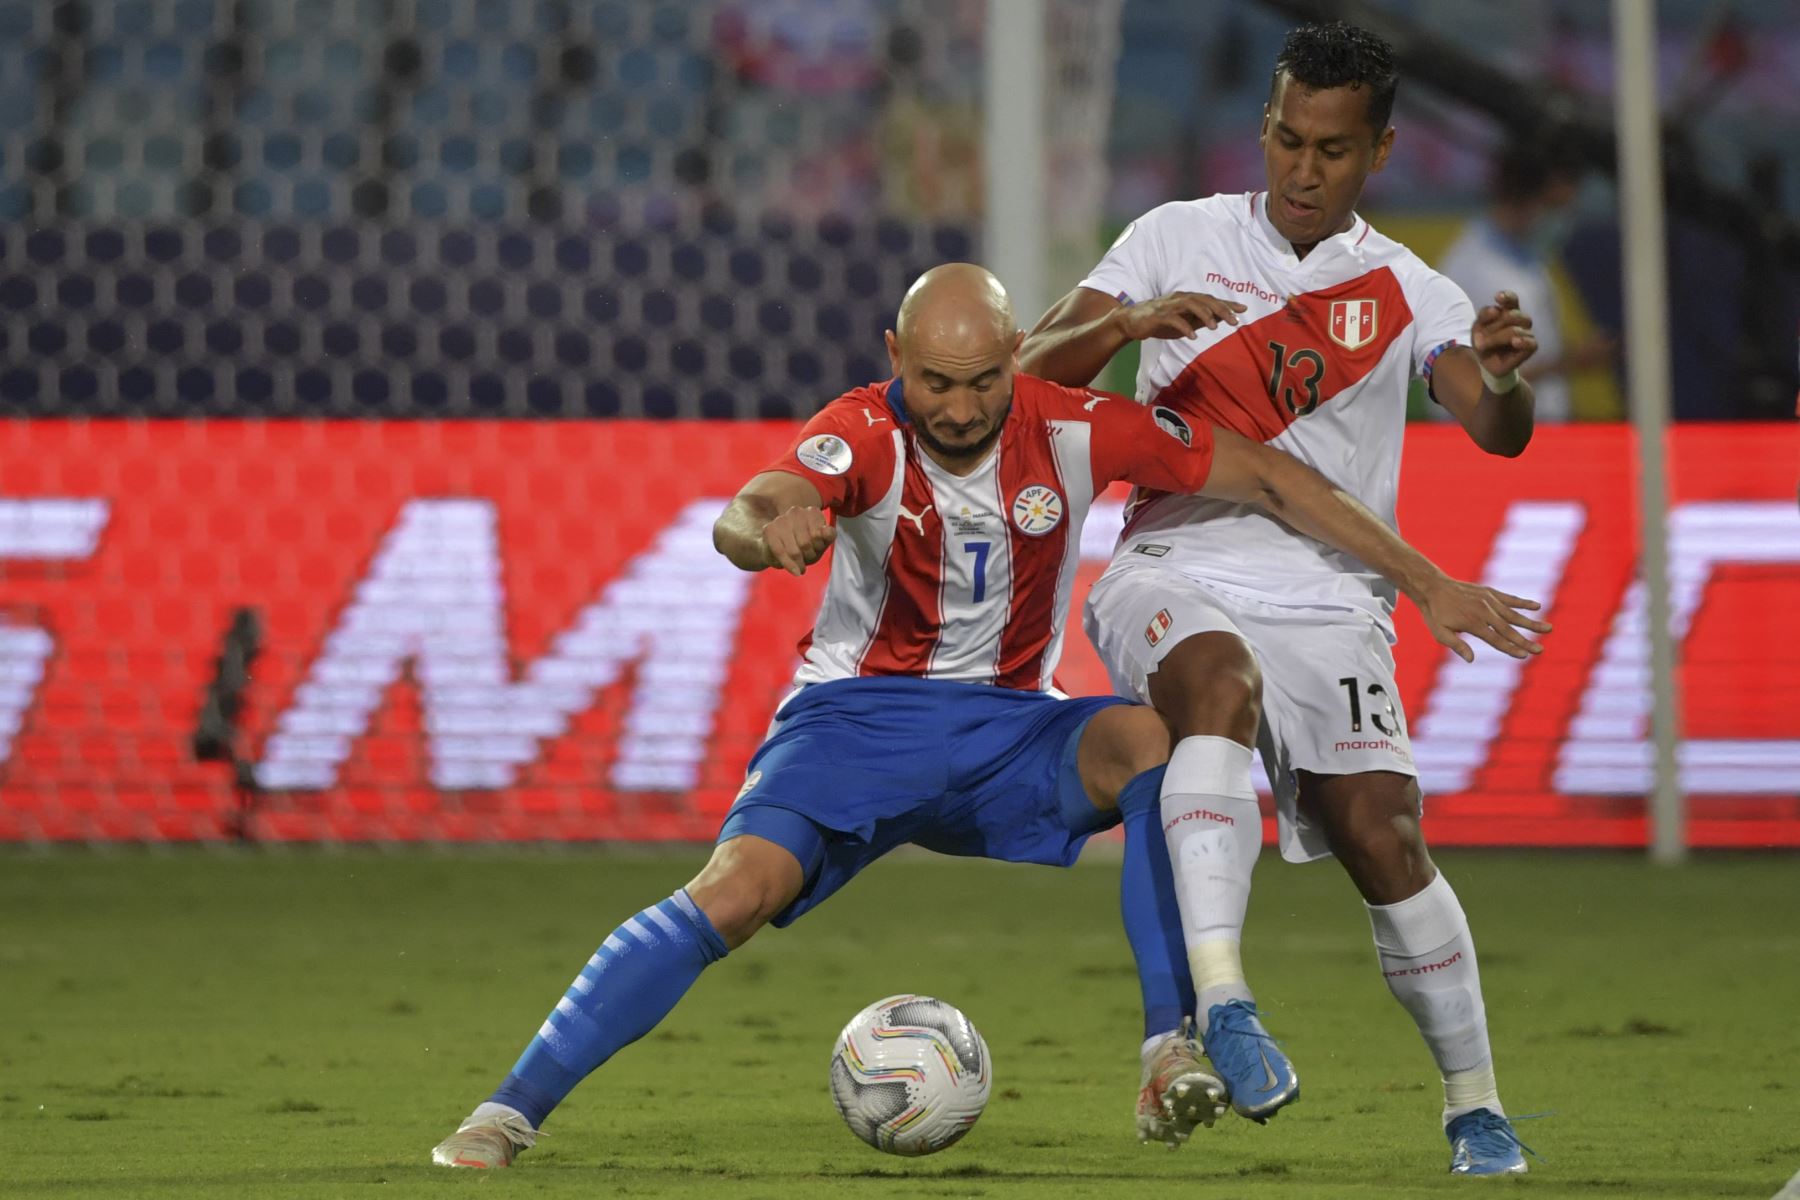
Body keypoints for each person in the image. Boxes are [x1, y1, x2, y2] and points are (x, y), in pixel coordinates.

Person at [430, 263, 1547, 1168]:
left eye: (980, 382)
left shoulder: (1080, 425)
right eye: (933, 384)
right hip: (854, 723)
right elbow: (759, 501)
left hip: (1014, 726)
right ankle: (508, 1111)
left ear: (1018, 360)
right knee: (731, 897)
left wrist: (1421, 577)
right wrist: (762, 534)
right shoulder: (862, 432)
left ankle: (1169, 1047)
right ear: (893, 363)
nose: (958, 410)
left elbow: (1271, 481)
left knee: (1158, 743)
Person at [1021, 21, 1549, 1177]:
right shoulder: (1175, 235)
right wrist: (1123, 323)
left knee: (1382, 835)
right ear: (1264, 128)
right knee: (1215, 686)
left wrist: (1504, 382)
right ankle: (1225, 1002)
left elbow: (1495, 429)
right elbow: (1032, 365)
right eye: (1286, 139)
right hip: (1174, 567)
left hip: (1332, 597)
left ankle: (1474, 1103)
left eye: (1332, 150)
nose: (1303, 170)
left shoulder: (1408, 286)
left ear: (1380, 152)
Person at [1437, 137, 1617, 423]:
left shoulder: (1528, 259)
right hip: (1491, 448)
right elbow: (1470, 382)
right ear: (1529, 199)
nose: (1563, 219)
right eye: (1557, 207)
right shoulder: (1476, 271)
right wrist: (1570, 362)